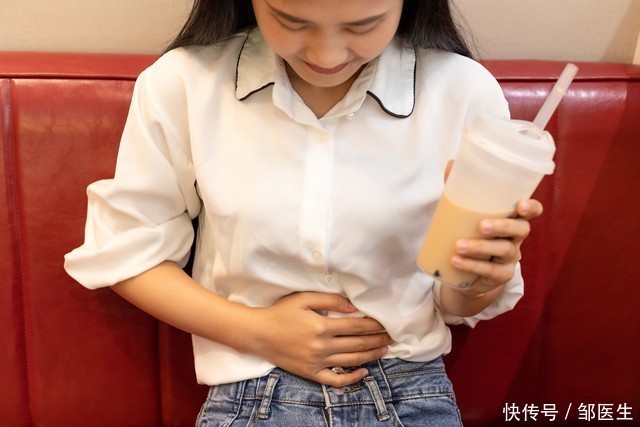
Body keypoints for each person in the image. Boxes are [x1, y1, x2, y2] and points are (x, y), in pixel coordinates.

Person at [64, 0, 543, 425]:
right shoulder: (185, 82)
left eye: (363, 25)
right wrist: (258, 332)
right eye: (291, 21)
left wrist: (480, 279)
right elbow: (127, 253)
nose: (326, 55)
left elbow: (454, 303)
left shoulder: (462, 90)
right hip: (253, 394)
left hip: (412, 391)